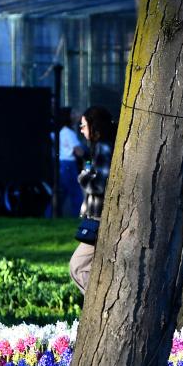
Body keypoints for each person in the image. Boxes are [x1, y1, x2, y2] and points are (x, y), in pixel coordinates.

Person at [69, 106, 116, 294]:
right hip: (100, 218)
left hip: (99, 219)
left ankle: (100, 306)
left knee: (77, 267)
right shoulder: (101, 147)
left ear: (94, 126)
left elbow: (100, 184)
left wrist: (83, 178)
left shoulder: (103, 147)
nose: (81, 129)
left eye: (83, 125)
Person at [56, 107, 85, 217]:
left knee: (62, 193)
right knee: (76, 193)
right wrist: (86, 154)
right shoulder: (69, 133)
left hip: (63, 164)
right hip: (69, 165)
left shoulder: (63, 131)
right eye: (73, 113)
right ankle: (76, 216)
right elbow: (78, 151)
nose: (76, 115)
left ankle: (48, 214)